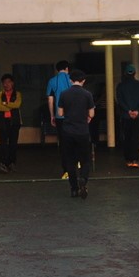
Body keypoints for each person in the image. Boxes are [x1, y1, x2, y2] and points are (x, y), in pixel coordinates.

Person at [57, 70, 95, 199]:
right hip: (82, 131)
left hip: (68, 131)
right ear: (83, 81)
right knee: (85, 160)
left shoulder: (64, 94)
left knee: (70, 161)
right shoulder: (88, 94)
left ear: (70, 80)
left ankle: (74, 189)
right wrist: (87, 118)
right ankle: (83, 178)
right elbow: (91, 114)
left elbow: (60, 113)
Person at [115, 64, 139, 168]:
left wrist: (128, 111)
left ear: (125, 73)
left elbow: (120, 100)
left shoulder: (120, 86)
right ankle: (135, 159)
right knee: (136, 137)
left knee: (127, 137)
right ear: (135, 73)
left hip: (126, 115)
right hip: (138, 115)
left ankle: (128, 159)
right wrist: (137, 111)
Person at [46, 60, 72, 178]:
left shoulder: (52, 81)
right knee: (76, 138)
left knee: (63, 142)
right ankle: (77, 162)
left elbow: (50, 100)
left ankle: (66, 170)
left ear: (57, 69)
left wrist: (52, 115)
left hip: (60, 116)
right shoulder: (73, 79)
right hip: (74, 116)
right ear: (67, 68)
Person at [0, 73, 22, 172]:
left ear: (12, 83)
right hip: (2, 122)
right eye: (4, 82)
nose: (6, 84)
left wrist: (5, 104)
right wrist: (10, 105)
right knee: (3, 144)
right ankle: (2, 163)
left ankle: (12, 163)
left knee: (13, 144)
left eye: (8, 82)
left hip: (14, 122)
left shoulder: (17, 94)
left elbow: (17, 104)